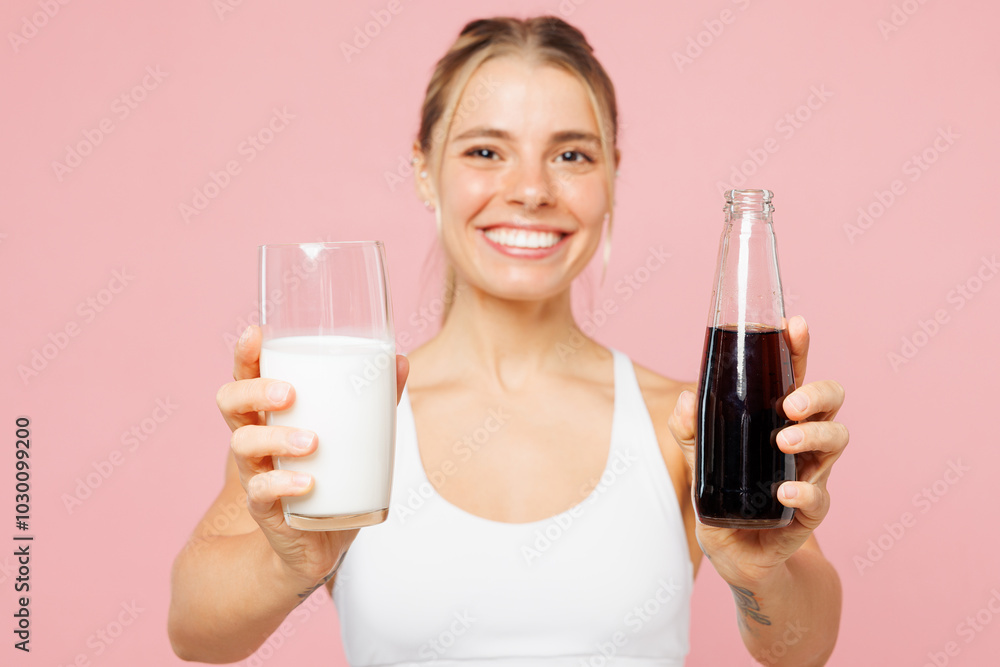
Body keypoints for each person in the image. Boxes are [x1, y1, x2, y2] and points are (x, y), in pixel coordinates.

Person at [169, 15, 848, 666]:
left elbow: (804, 649)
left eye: (572, 155)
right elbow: (196, 633)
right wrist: (287, 560)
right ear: (423, 169)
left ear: (612, 174)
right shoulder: (342, 411)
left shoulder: (684, 424)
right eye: (486, 151)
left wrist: (762, 572)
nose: (530, 190)